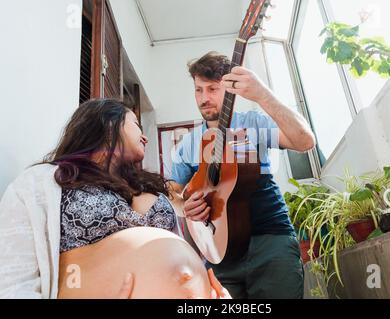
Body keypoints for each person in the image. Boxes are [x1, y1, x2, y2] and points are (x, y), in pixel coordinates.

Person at [0, 98, 229, 299]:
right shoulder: (41, 183)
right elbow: (14, 280)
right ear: (109, 125)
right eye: (137, 125)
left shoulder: (148, 186)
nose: (145, 137)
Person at [171, 52, 316, 299]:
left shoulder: (253, 124)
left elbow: (304, 141)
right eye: (198, 90)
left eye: (213, 89)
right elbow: (172, 191)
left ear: (229, 89)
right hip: (219, 255)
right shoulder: (187, 144)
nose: (204, 98)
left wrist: (262, 94)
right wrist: (184, 205)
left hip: (270, 242)